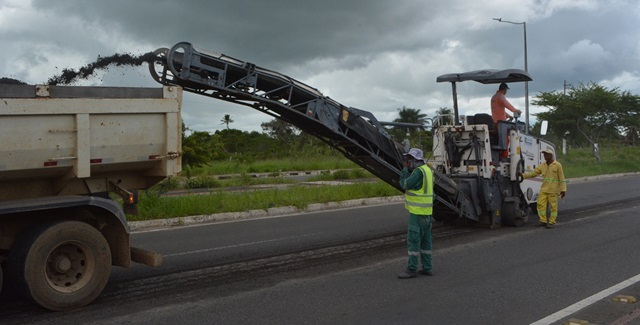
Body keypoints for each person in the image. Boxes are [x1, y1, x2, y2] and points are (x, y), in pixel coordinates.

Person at [397, 148, 434, 279]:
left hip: (417, 214)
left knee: (413, 241)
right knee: (426, 242)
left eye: (409, 159)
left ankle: (411, 269)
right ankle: (427, 268)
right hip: (427, 214)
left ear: (416, 160)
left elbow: (404, 184)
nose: (407, 162)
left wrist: (404, 170)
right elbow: (432, 194)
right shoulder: (428, 171)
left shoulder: (418, 172)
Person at [521, 149, 567, 229]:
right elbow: (533, 173)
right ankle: (543, 221)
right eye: (544, 154)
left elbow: (562, 178)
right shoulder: (543, 166)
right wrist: (523, 175)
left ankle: (552, 222)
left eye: (546, 155)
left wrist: (563, 190)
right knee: (540, 204)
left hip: (553, 190)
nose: (544, 156)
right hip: (544, 189)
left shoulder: (557, 165)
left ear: (550, 155)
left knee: (553, 207)